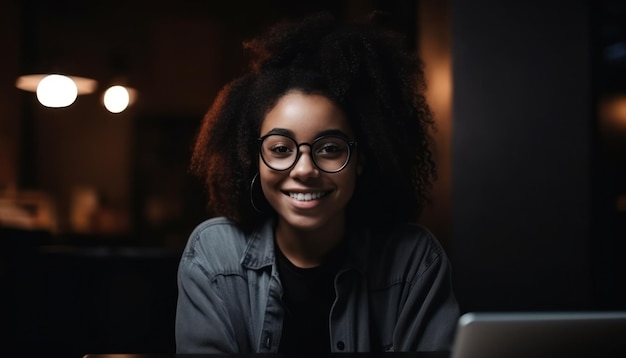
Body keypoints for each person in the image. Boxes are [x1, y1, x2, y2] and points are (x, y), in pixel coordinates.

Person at [175, 12, 459, 354]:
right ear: (253, 158)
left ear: (361, 159)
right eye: (281, 149)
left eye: (329, 149)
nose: (305, 169)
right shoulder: (214, 254)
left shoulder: (414, 260)